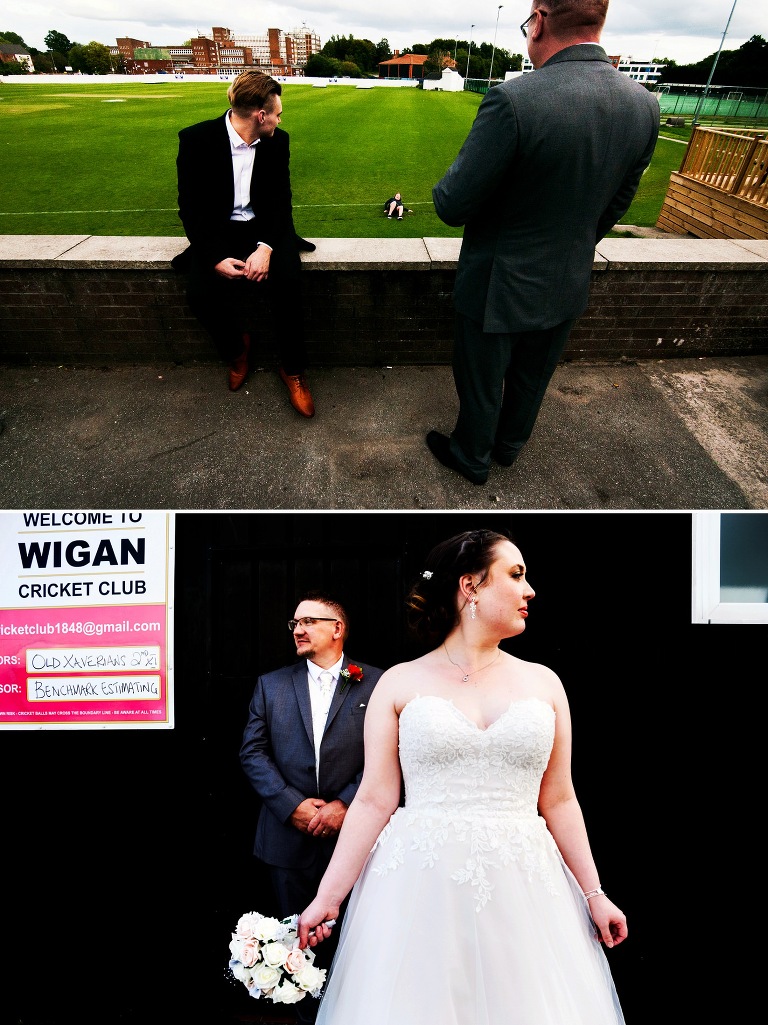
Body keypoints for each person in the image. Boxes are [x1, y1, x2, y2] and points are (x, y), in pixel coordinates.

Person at [297, 529, 628, 1025]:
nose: (529, 590)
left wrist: (594, 894)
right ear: (470, 586)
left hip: (526, 887)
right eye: (515, 575)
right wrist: (327, 899)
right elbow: (373, 801)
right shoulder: (400, 682)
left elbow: (559, 799)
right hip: (418, 886)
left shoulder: (545, 683)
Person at [427, 0, 661, 484]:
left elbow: (452, 204)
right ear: (599, 21)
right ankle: (508, 448)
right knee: (533, 378)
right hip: (568, 276)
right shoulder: (644, 103)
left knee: (481, 380)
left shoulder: (514, 99)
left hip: (497, 282)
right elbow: (618, 203)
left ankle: (471, 456)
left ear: (539, 20)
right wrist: (573, 244)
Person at [240, 591, 384, 1024]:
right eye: (295, 624)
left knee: (359, 943)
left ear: (337, 629)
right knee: (295, 946)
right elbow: (252, 752)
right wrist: (294, 806)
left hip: (357, 836)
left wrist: (345, 804)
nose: (298, 630)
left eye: (309, 621)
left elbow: (390, 757)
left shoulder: (376, 683)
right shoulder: (271, 685)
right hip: (287, 838)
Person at [174, 70, 316, 416]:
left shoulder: (277, 141)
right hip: (218, 233)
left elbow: (282, 201)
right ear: (260, 115)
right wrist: (215, 256)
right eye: (278, 113)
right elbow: (190, 208)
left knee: (289, 282)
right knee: (199, 294)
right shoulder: (196, 140)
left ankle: (292, 370)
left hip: (265, 228)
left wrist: (266, 247)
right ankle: (237, 352)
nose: (280, 119)